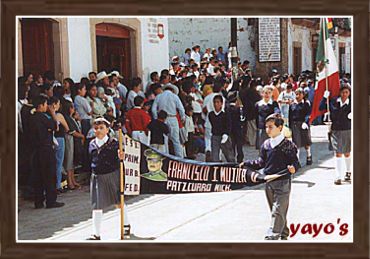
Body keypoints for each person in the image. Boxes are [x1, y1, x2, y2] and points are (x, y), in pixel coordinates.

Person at [239, 113, 299, 240]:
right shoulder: (266, 145)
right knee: (275, 208)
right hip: (269, 182)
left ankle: (273, 233)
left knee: (278, 208)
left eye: (271, 127)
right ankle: (284, 231)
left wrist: (293, 168)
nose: (268, 130)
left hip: (283, 182)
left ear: (280, 127)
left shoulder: (288, 145)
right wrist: (246, 164)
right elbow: (261, 162)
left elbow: (295, 162)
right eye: (266, 127)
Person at [87, 117, 130, 240]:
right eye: (96, 128)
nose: (98, 130)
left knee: (118, 202)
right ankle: (96, 233)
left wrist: (121, 156)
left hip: (112, 175)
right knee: (97, 205)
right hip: (97, 176)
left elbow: (121, 158)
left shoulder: (114, 143)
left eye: (101, 128)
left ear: (107, 130)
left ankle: (126, 224)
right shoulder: (91, 144)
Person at [30, 95, 65, 209]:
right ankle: (51, 200)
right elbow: (55, 126)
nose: (46, 107)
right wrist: (53, 113)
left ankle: (38, 201)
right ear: (41, 105)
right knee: (49, 175)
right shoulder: (43, 117)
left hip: (35, 150)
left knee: (38, 176)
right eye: (45, 104)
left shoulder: (31, 117)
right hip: (46, 148)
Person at [319, 84, 352, 185]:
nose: (344, 94)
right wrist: (325, 97)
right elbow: (321, 108)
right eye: (343, 92)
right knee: (337, 152)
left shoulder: (352, 103)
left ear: (349, 93)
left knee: (346, 152)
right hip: (335, 130)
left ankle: (348, 171)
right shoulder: (334, 102)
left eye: (346, 92)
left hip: (347, 129)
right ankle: (338, 176)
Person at [151, 84, 186, 158]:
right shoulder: (175, 96)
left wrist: (156, 118)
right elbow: (181, 108)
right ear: (172, 90)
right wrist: (183, 118)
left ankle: (166, 156)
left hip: (162, 119)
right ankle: (179, 157)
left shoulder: (159, 96)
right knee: (176, 140)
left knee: (165, 140)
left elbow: (153, 109)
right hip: (173, 118)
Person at [49, 97, 70, 193]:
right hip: (59, 139)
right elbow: (66, 128)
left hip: (50, 140)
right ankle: (57, 185)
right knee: (58, 162)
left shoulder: (47, 115)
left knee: (53, 162)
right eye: (58, 103)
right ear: (54, 104)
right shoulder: (58, 115)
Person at [63, 101, 84, 190]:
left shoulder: (71, 118)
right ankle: (69, 182)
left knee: (71, 162)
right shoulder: (67, 118)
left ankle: (72, 180)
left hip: (73, 142)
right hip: (69, 140)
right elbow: (71, 131)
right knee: (69, 161)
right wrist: (82, 136)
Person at [289, 88, 312, 166]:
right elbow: (290, 116)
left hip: (303, 124)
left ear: (303, 95)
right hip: (295, 125)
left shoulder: (306, 104)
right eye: (296, 94)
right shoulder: (292, 104)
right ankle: (297, 161)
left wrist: (306, 122)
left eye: (299, 94)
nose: (297, 96)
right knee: (296, 143)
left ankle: (309, 156)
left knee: (306, 141)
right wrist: (290, 127)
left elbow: (308, 114)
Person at [208, 95, 235, 162]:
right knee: (215, 155)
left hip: (224, 136)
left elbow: (228, 125)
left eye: (218, 102)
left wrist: (226, 134)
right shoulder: (211, 114)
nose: (216, 104)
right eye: (214, 102)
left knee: (229, 155)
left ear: (221, 103)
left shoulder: (225, 114)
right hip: (215, 136)